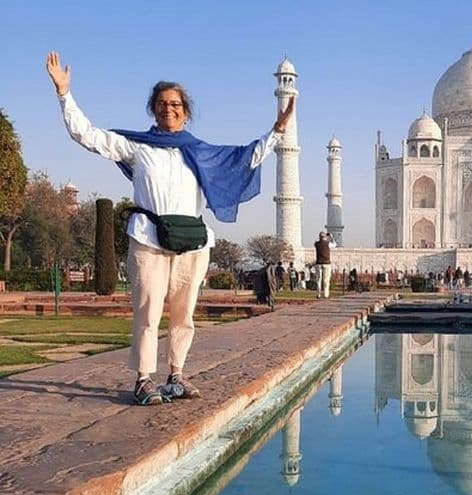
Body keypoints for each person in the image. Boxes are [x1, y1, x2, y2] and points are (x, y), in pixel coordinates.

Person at [46, 52, 294, 405]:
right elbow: (87, 135)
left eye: (175, 104)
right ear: (153, 109)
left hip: (192, 244)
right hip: (149, 240)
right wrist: (64, 94)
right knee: (147, 313)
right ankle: (144, 380)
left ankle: (176, 375)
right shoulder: (137, 147)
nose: (169, 109)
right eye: (162, 104)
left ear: (186, 111)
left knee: (183, 315)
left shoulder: (199, 152)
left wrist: (278, 131)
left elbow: (246, 157)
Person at [314, 231, 337, 298]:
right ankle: (325, 294)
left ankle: (318, 294)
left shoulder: (316, 244)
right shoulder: (328, 244)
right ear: (325, 237)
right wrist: (331, 237)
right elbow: (335, 244)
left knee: (318, 280)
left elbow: (318, 242)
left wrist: (323, 237)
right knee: (326, 280)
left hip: (318, 263)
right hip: (326, 263)